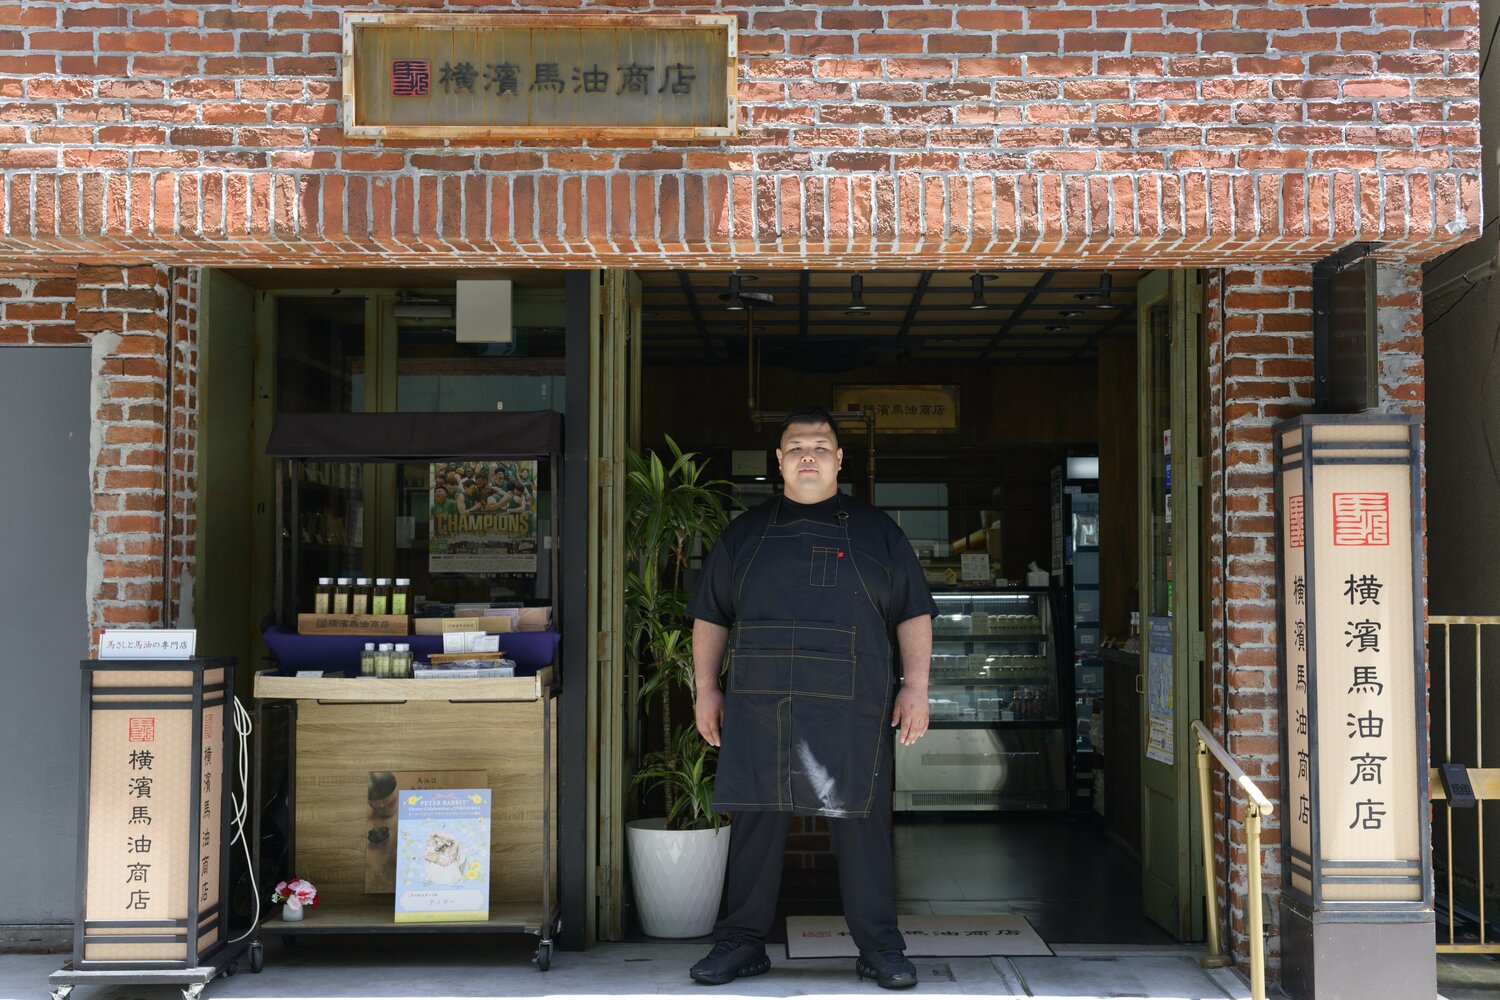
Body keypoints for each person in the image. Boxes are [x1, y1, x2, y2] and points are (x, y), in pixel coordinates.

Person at [686, 407, 935, 990]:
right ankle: (742, 942)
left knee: (864, 828)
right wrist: (706, 689)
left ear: (839, 460)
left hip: (853, 703)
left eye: (820, 447)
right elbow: (709, 616)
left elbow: (914, 613)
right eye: (796, 446)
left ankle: (880, 946)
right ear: (778, 459)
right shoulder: (743, 533)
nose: (807, 456)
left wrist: (916, 686)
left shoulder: (879, 533)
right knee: (754, 823)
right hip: (759, 704)